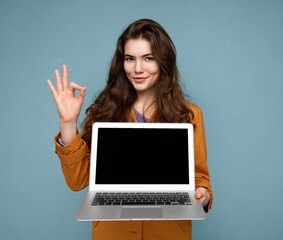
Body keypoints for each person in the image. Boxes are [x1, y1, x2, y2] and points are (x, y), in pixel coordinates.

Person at [46, 18, 213, 240]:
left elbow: (200, 176)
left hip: (168, 233)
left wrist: (203, 195)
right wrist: (67, 123)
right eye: (129, 58)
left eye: (148, 58)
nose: (137, 69)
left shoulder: (190, 114)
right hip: (113, 233)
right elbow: (77, 181)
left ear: (163, 62)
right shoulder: (102, 111)